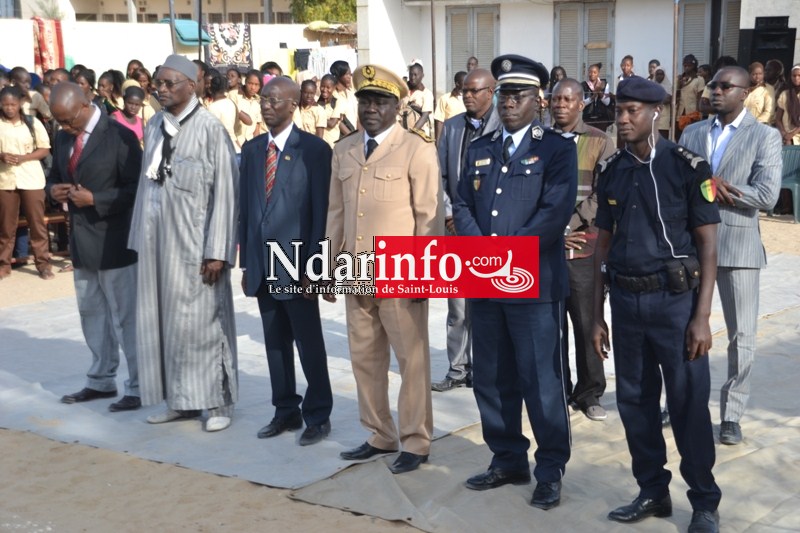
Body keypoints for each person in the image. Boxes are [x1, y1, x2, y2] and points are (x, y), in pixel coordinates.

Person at [591, 76, 722, 533]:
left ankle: (704, 502)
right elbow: (601, 247)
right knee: (634, 403)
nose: (622, 120)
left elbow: (708, 246)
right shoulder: (611, 170)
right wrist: (595, 316)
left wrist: (702, 317)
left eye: (631, 112)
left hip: (675, 303)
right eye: (618, 112)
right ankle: (652, 491)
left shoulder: (687, 167)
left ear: (655, 114)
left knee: (687, 404)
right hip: (626, 305)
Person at [455, 54, 575, 510]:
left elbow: (554, 213)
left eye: (518, 95)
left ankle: (549, 469)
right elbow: (462, 204)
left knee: (541, 381)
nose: (508, 103)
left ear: (538, 101)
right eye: (503, 94)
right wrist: (483, 254)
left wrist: (504, 256)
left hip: (533, 284)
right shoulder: (480, 147)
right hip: (485, 283)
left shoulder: (556, 149)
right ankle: (507, 458)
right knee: (491, 376)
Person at [327, 63, 444, 474]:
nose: (371, 108)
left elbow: (429, 216)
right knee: (365, 357)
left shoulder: (417, 149)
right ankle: (379, 433)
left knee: (411, 360)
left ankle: (415, 440)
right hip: (356, 270)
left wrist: (426, 275)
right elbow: (336, 214)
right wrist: (330, 266)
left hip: (401, 272)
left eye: (380, 101)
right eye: (365, 100)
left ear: (398, 105)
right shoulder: (343, 150)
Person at [127, 54, 239, 433]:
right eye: (158, 83)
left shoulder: (210, 129)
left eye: (169, 83)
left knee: (204, 325)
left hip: (196, 249)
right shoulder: (155, 124)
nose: (160, 89)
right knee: (166, 324)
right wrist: (139, 239)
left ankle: (217, 402)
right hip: (159, 245)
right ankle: (181, 401)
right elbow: (148, 185)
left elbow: (226, 193)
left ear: (192, 85)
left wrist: (217, 251)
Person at [681, 66, 782, 446]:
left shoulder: (765, 137)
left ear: (745, 93)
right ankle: (683, 402)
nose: (716, 91)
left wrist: (721, 188)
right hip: (691, 246)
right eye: (714, 85)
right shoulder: (692, 132)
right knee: (684, 327)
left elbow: (767, 195)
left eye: (726, 86)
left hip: (738, 247)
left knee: (742, 335)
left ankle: (732, 413)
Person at [239, 77, 334, 446]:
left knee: (308, 343)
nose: (266, 105)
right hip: (263, 264)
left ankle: (318, 414)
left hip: (297, 264)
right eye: (263, 99)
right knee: (274, 342)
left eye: (274, 100)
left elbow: (322, 214)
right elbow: (246, 212)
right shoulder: (251, 151)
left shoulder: (313, 150)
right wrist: (247, 263)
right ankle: (285, 410)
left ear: (293, 104)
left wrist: (317, 268)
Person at [47, 82, 142, 411]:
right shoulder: (62, 138)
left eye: (70, 120)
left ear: (86, 103)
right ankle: (101, 380)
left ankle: (140, 385)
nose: (66, 127)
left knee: (126, 317)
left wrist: (96, 199)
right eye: (60, 122)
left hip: (116, 241)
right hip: (82, 242)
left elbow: (136, 191)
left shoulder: (119, 137)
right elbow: (55, 174)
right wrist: (54, 191)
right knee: (92, 314)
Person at [549, 78, 616, 420]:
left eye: (567, 99)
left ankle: (590, 393)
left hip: (584, 247)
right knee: (551, 326)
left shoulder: (600, 142)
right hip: (547, 249)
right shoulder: (538, 141)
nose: (559, 104)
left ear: (581, 104)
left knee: (587, 321)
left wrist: (567, 226)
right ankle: (558, 390)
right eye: (555, 98)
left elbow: (602, 196)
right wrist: (550, 232)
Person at [431, 67, 500, 393]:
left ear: (491, 91)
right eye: (464, 92)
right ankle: (458, 369)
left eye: (475, 91)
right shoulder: (453, 128)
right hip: (455, 230)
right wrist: (450, 214)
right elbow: (439, 176)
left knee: (489, 306)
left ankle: (487, 369)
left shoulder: (506, 126)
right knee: (458, 307)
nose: (468, 96)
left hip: (491, 233)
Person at [0, 85, 52, 280]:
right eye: (5, 105)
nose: (9, 108)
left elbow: (44, 149)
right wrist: (2, 156)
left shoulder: (32, 122)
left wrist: (25, 158)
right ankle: (4, 264)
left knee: (37, 224)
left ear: (20, 104)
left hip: (31, 178)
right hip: (5, 180)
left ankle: (43, 264)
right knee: (6, 226)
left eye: (13, 104)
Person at [207, 72, 241, 155]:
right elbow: (236, 130)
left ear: (210, 89)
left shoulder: (212, 107)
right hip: (236, 149)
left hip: (221, 153)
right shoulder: (231, 103)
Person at [399, 60, 434, 136]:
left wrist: (412, 133)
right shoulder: (404, 91)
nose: (412, 77)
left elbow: (424, 116)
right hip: (402, 133)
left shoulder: (426, 94)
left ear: (422, 75)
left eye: (415, 75)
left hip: (418, 134)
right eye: (410, 74)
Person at [433, 71, 467, 140]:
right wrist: (438, 141)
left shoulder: (470, 98)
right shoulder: (445, 98)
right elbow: (439, 121)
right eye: (465, 82)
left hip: (466, 136)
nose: (467, 84)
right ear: (457, 83)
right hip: (450, 136)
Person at [233, 70, 263, 146]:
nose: (253, 87)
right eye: (250, 83)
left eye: (256, 85)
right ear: (245, 82)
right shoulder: (234, 95)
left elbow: (257, 125)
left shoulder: (258, 100)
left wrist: (255, 144)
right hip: (236, 141)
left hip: (250, 141)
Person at [676, 55, 705, 134]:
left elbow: (700, 97)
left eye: (689, 66)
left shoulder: (699, 79)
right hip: (679, 114)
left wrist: (698, 114)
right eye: (685, 65)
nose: (687, 67)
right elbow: (675, 96)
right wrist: (679, 84)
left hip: (693, 114)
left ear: (694, 66)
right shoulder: (679, 78)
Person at [317, 74, 346, 148]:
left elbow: (332, 124)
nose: (324, 90)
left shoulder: (339, 102)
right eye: (322, 86)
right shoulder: (315, 101)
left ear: (334, 88)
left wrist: (316, 118)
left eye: (328, 87)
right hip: (317, 145)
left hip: (331, 146)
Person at [582, 63, 613, 132]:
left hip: (601, 119)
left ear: (598, 73)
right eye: (590, 72)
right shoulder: (583, 85)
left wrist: (599, 92)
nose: (592, 74)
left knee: (600, 140)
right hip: (588, 119)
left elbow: (607, 102)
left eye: (594, 72)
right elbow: (582, 103)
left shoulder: (604, 84)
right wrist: (592, 97)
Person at [775, 64, 800, 145]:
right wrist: (783, 133)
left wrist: (791, 135)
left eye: (799, 75)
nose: (796, 78)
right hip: (785, 134)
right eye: (794, 76)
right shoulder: (784, 94)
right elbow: (778, 119)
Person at [330, 60, 357, 134]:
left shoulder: (351, 92)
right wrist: (351, 136)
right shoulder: (334, 95)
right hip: (344, 137)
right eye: (347, 74)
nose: (349, 77)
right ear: (339, 75)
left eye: (350, 74)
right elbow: (338, 122)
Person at [653, 66, 673, 138]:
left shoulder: (668, 86)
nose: (659, 76)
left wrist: (655, 98)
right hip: (653, 115)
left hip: (665, 115)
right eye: (657, 74)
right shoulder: (651, 85)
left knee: (663, 137)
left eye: (661, 74)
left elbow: (668, 100)